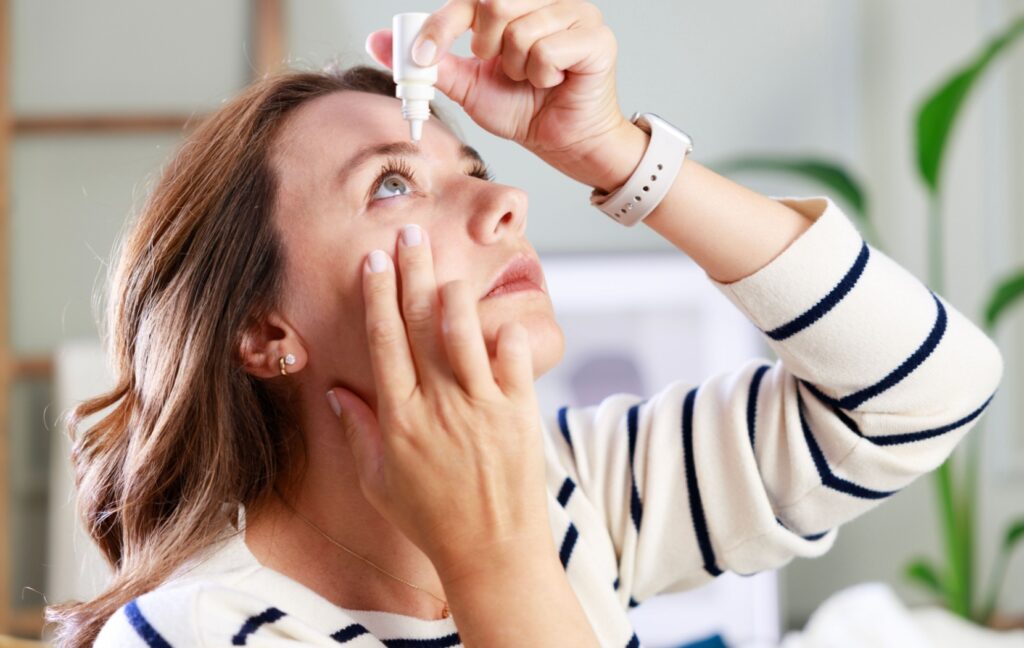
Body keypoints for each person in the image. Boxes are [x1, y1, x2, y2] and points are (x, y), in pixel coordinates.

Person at [46, 1, 1004, 647]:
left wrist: (618, 155)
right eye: (391, 184)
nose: (505, 198)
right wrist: (495, 559)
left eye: (472, 168)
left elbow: (925, 392)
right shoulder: (201, 634)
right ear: (264, 330)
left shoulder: (570, 490)